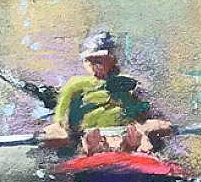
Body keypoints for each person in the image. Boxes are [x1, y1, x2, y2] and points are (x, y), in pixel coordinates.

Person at [42, 31, 174, 157]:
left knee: (151, 131)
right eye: (89, 61)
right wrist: (60, 127)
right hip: (92, 131)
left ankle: (133, 147)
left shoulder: (128, 83)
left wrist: (148, 122)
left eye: (99, 61)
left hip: (126, 129)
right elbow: (62, 111)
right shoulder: (76, 84)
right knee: (73, 136)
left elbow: (142, 110)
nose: (94, 66)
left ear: (112, 59)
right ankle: (94, 149)